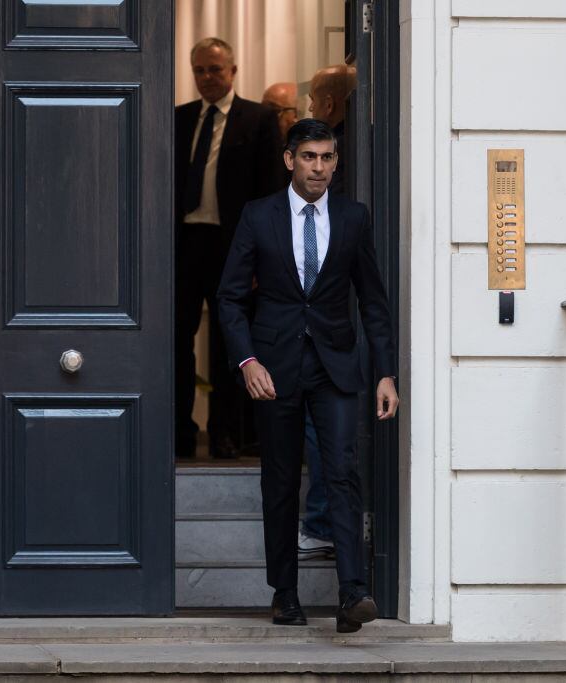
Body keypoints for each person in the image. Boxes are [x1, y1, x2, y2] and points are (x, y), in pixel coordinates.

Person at [217, 119, 398, 633]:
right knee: (279, 479)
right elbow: (230, 298)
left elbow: (373, 301)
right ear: (289, 160)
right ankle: (285, 593)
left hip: (335, 367)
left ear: (336, 162)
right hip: (273, 370)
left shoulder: (353, 217)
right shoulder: (259, 216)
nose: (319, 167)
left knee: (341, 471)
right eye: (309, 157)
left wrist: (385, 373)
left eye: (327, 157)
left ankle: (353, 592)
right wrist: (247, 361)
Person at [175, 38, 284, 459]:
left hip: (233, 248)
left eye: (215, 69)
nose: (207, 77)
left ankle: (225, 434)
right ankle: (180, 433)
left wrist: (261, 257)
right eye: (199, 70)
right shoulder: (179, 118)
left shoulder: (258, 119)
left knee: (228, 344)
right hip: (184, 246)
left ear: (233, 71)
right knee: (176, 340)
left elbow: (271, 192)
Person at [297, 64, 359, 562]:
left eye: (314, 99)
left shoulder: (341, 161)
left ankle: (322, 523)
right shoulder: (356, 146)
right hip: (322, 330)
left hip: (334, 327)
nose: (318, 166)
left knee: (325, 432)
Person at [308, 64, 357, 194]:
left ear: (329, 105)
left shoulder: (333, 151)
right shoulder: (372, 138)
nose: (310, 108)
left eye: (313, 100)